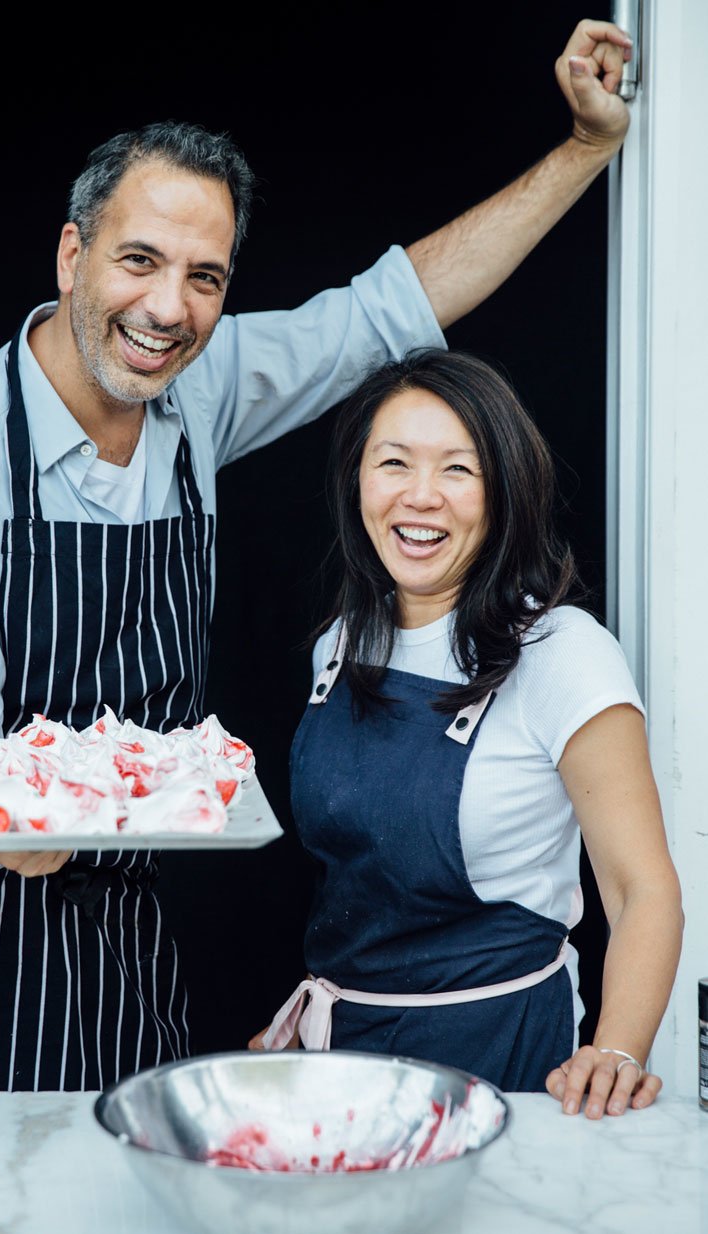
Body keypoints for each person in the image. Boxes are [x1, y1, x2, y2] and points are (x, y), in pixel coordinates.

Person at [0, 21, 638, 1094]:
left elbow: (389, 312)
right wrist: (90, 810)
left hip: (114, 935)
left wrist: (584, 147)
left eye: (205, 277)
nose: (168, 309)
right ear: (72, 255)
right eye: (139, 261)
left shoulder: (194, 392)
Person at [257, 349, 683, 1118]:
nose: (421, 497)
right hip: (344, 1067)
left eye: (459, 469)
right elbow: (356, 881)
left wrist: (617, 1052)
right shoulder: (341, 645)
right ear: (360, 480)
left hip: (502, 1060)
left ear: (503, 493)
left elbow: (641, 889)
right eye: (394, 463)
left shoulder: (560, 652)